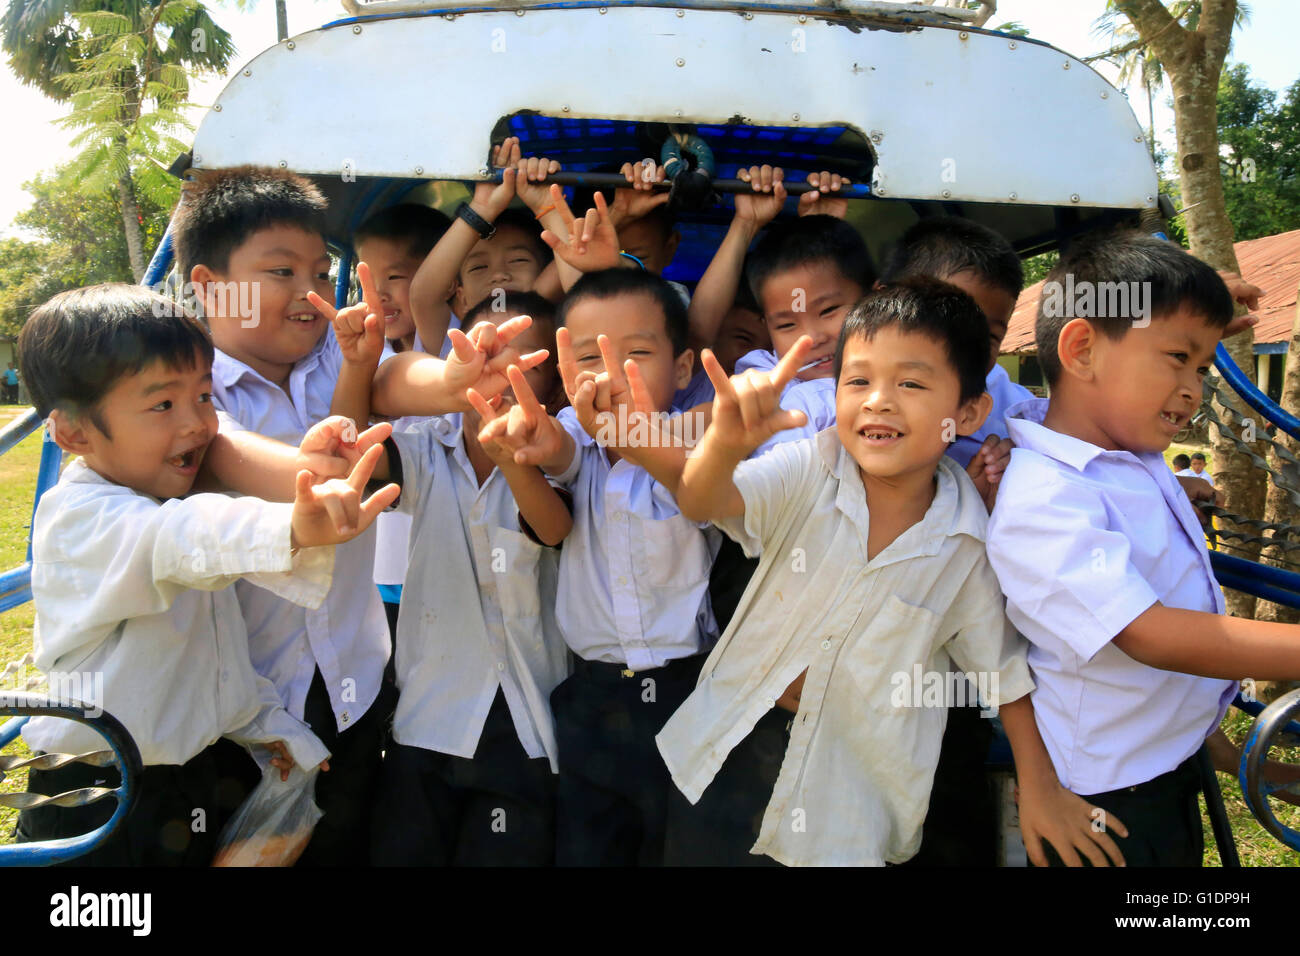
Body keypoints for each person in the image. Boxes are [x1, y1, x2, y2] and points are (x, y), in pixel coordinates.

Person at [581, 277, 1122, 866]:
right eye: (857, 381)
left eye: (911, 383)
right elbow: (703, 501)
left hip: (852, 806)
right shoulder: (808, 471)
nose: (878, 401)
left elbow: (1003, 675)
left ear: (968, 412)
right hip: (727, 763)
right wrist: (722, 446)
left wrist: (1039, 789)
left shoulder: (967, 544)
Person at [12, 283, 397, 866]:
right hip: (96, 790)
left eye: (202, 396)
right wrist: (291, 526)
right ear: (74, 434)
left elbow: (214, 664)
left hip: (180, 779)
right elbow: (187, 537)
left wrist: (276, 729)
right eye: (163, 404)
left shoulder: (161, 501)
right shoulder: (84, 519)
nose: (197, 423)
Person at [986, 231, 1300, 866]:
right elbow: (1148, 634)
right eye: (1177, 359)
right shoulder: (1047, 496)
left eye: (1203, 368)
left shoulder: (1129, 450)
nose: (1194, 388)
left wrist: (1189, 316)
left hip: (1167, 755)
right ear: (1080, 350)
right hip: (1111, 800)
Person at [173, 163, 397, 866]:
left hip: (350, 696)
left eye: (321, 271)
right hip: (236, 714)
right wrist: (325, 467)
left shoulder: (338, 361)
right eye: (281, 271)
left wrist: (447, 379)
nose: (310, 291)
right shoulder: (182, 398)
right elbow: (253, 459)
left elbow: (389, 394)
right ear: (211, 286)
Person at [473, 268, 718, 866]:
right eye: (588, 357)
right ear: (562, 373)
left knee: (682, 848)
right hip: (593, 697)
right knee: (589, 848)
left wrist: (631, 434)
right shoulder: (574, 440)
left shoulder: (697, 443)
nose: (610, 372)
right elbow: (559, 459)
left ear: (681, 370)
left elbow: (701, 483)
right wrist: (519, 455)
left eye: (635, 352)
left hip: (690, 690)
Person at [360, 292, 572, 866]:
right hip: (427, 721)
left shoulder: (566, 454)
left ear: (552, 385)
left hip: (528, 725)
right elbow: (355, 439)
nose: (499, 373)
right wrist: (363, 366)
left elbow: (552, 530)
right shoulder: (425, 451)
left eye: (522, 362)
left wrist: (512, 458)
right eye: (484, 356)